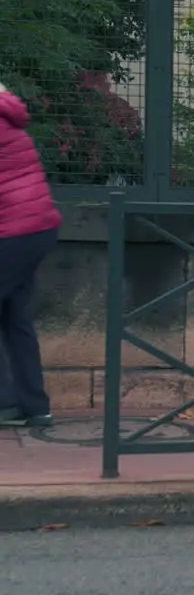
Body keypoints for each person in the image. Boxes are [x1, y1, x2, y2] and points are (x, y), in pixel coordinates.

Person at [0, 83, 61, 427]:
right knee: (13, 316)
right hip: (36, 230)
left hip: (12, 232)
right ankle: (35, 406)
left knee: (14, 317)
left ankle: (6, 404)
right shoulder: (8, 117)